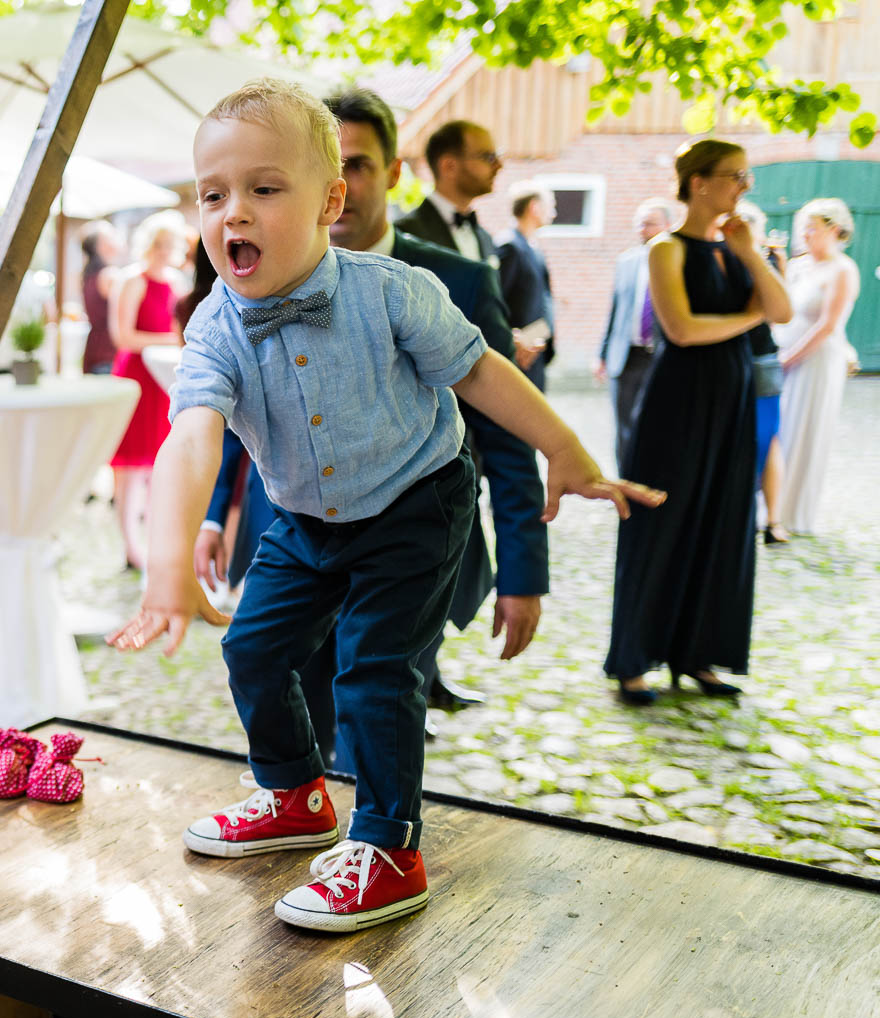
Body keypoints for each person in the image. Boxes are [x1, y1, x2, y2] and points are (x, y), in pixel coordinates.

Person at [111, 79, 659, 933]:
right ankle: (295, 795)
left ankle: (390, 847)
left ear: (331, 201)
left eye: (263, 188)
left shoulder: (390, 290)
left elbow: (482, 372)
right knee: (255, 649)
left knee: (373, 667)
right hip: (305, 519)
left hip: (415, 502)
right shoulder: (213, 329)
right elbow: (191, 440)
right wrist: (166, 569)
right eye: (214, 195)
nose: (234, 215)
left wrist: (565, 449)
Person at [296, 86, 542, 749]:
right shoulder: (276, 275)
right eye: (323, 166)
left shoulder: (459, 281)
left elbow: (508, 437)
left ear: (395, 171)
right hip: (299, 552)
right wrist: (213, 516)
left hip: (413, 557)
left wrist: (523, 571)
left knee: (380, 732)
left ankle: (381, 842)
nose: (338, 185)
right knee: (298, 737)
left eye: (357, 164)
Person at [604, 139, 791, 703]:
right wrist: (750, 314)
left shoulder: (741, 246)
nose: (745, 186)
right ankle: (634, 659)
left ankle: (699, 655)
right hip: (677, 404)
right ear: (700, 182)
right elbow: (682, 330)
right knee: (659, 521)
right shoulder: (666, 249)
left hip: (732, 403)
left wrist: (750, 253)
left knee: (724, 522)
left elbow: (781, 313)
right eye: (736, 175)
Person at [774, 198, 860, 536]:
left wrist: (789, 358)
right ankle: (769, 505)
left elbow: (827, 325)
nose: (806, 235)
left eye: (813, 228)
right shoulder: (797, 265)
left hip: (816, 362)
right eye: (803, 228)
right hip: (784, 353)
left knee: (802, 431)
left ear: (835, 230)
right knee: (779, 431)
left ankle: (792, 512)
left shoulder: (843, 270)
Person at [108, 210, 189, 571]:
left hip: (166, 381)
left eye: (169, 244)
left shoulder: (179, 285)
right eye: (158, 243)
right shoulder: (132, 280)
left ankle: (157, 542)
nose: (163, 250)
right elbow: (123, 337)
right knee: (128, 469)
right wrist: (169, 339)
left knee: (161, 467)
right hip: (136, 379)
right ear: (147, 244)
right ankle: (129, 546)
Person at [597, 199, 676, 468]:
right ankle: (625, 482)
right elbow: (615, 311)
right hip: (626, 355)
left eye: (650, 223)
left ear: (668, 225)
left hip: (662, 357)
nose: (643, 229)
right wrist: (602, 355)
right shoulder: (626, 261)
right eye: (640, 224)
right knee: (623, 428)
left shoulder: (678, 261)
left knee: (658, 425)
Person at [735, 201, 790, 543]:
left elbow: (779, 311)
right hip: (730, 358)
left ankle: (771, 518)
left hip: (761, 359)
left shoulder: (766, 263)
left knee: (767, 439)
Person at [396, 120, 502, 264]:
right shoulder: (405, 233)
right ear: (449, 166)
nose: (499, 165)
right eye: (488, 157)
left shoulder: (485, 237)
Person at [496, 182, 556, 389]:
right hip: (516, 356)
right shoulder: (510, 247)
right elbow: (495, 301)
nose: (554, 213)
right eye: (551, 206)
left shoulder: (534, 248)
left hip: (534, 352)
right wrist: (517, 343)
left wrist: (535, 340)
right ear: (535, 207)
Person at [80, 221, 124, 374]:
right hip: (109, 353)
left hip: (94, 349)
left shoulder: (88, 275)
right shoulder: (110, 275)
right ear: (102, 246)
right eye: (111, 236)